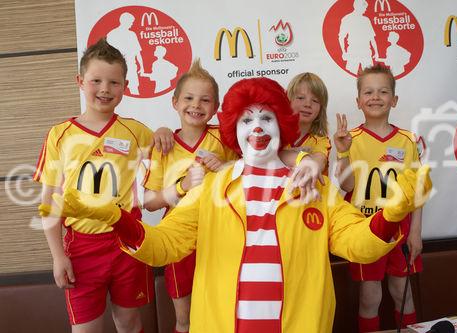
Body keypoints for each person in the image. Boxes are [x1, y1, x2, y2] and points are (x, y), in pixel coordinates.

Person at [45, 77, 432, 333]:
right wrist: (116, 218)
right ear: (234, 130)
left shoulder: (315, 185)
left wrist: (394, 213)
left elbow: (357, 243)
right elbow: (164, 245)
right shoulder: (213, 188)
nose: (258, 127)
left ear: (282, 127)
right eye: (247, 120)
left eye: (267, 118)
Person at [33, 38, 155, 333]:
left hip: (127, 241)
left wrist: (163, 131)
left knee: (129, 321)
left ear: (125, 87)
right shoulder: (59, 135)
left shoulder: (137, 132)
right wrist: (58, 257)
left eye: (114, 82)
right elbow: (49, 200)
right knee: (86, 328)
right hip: (82, 248)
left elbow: (173, 159)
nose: (104, 89)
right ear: (80, 81)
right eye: (96, 80)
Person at [142, 59, 238, 333]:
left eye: (205, 100)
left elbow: (255, 166)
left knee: (224, 312)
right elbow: (149, 202)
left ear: (216, 107)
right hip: (179, 239)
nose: (196, 105)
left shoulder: (227, 138)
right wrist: (181, 186)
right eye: (189, 98)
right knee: (184, 319)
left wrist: (226, 166)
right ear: (174, 102)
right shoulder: (163, 144)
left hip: (221, 235)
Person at [334, 64, 424, 332]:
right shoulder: (350, 139)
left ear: (394, 100)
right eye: (368, 92)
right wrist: (342, 153)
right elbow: (347, 184)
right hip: (366, 229)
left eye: (383, 91)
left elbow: (416, 191)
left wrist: (416, 232)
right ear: (358, 100)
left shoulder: (408, 141)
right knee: (370, 296)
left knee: (403, 293)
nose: (375, 97)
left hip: (400, 229)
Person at [286, 72, 331, 175]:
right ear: (288, 101)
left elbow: (319, 162)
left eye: (315, 100)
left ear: (321, 109)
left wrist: (310, 165)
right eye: (301, 98)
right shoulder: (276, 137)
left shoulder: (321, 141)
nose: (307, 104)